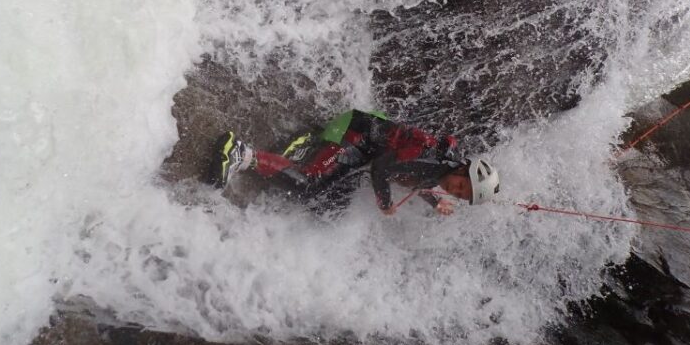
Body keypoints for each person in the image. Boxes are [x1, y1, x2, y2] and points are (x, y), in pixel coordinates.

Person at [210, 109, 500, 215]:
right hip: (354, 132)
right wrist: (385, 203)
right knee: (310, 184)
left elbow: (411, 176)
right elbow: (382, 170)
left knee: (328, 209)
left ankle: (303, 156)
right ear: (464, 168)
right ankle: (240, 153)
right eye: (462, 186)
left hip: (364, 152)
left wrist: (433, 202)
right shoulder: (429, 158)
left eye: (461, 195)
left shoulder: (440, 172)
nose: (455, 191)